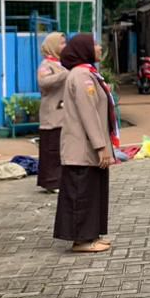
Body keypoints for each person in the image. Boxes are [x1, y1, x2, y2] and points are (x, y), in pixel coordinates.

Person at [55, 34, 115, 253]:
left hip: (89, 144)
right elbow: (88, 113)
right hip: (83, 147)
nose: (99, 48)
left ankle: (92, 235)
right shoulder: (81, 76)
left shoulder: (88, 73)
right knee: (82, 191)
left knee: (92, 190)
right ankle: (82, 240)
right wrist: (101, 147)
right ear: (84, 50)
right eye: (96, 45)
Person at [37, 32, 67, 193]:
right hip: (51, 115)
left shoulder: (61, 63)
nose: (64, 46)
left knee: (59, 148)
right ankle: (51, 182)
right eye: (61, 43)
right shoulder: (46, 65)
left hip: (62, 113)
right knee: (51, 150)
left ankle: (58, 180)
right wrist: (64, 75)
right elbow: (44, 82)